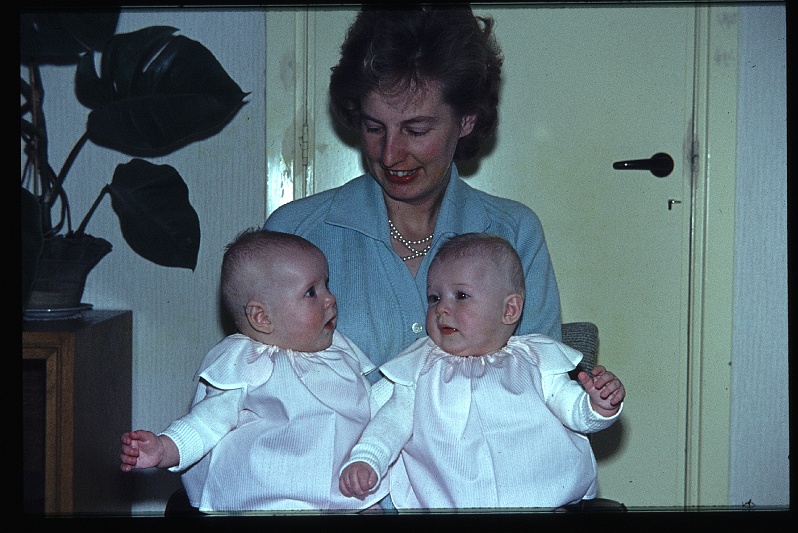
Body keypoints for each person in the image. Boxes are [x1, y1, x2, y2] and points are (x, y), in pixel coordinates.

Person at [264, 5, 562, 376]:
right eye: (374, 128)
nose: (390, 154)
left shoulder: (514, 233)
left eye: (416, 130)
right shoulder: (294, 233)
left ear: (467, 119)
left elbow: (546, 389)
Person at [339, 233, 626, 510]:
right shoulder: (418, 367)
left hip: (543, 502)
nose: (441, 309)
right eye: (434, 298)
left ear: (510, 309)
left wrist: (597, 406)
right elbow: (390, 422)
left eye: (460, 295)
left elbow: (574, 411)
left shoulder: (536, 360)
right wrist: (367, 459)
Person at [119, 229, 387, 512]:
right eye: (311, 292)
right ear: (262, 317)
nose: (330, 299)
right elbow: (206, 421)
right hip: (270, 492)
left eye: (326, 285)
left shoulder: (340, 351)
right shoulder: (248, 361)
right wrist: (166, 448)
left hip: (340, 487)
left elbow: (369, 404)